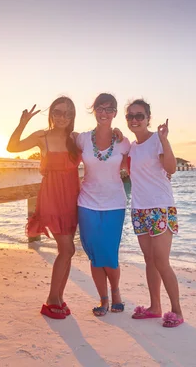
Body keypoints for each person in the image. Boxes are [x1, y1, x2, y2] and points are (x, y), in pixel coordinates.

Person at [6, 96, 81, 320]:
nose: (62, 117)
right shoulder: (42, 136)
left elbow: (101, 147)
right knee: (67, 249)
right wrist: (23, 123)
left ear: (73, 116)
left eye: (68, 113)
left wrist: (115, 131)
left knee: (68, 251)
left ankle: (58, 297)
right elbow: (12, 147)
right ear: (51, 114)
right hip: (51, 197)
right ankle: (51, 300)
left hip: (72, 197)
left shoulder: (76, 139)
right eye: (58, 112)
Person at [125, 99, 184, 328]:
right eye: (130, 116)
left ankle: (177, 311)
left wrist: (165, 140)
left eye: (139, 115)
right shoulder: (132, 147)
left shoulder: (156, 141)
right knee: (149, 259)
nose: (135, 120)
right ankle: (155, 307)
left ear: (148, 117)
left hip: (160, 208)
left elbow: (171, 169)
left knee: (161, 261)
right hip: (139, 208)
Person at [77, 93, 131, 317]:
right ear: (94, 110)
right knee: (95, 254)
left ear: (116, 113)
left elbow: (142, 162)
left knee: (109, 254)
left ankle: (116, 292)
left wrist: (164, 172)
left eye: (109, 109)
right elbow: (60, 147)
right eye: (100, 108)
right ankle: (103, 299)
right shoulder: (81, 139)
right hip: (87, 203)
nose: (104, 113)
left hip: (114, 204)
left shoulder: (122, 142)